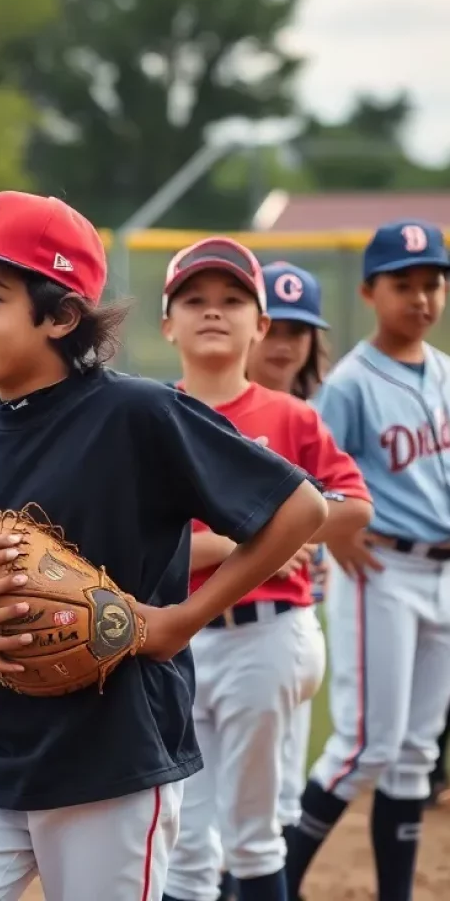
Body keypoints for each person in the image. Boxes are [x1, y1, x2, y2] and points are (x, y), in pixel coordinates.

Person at [0, 192, 327, 901]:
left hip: (115, 760)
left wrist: (179, 621)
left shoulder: (138, 415)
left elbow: (299, 507)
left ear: (62, 316)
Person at [158, 239, 372, 901]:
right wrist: (258, 538)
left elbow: (354, 506)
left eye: (232, 300)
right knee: (185, 840)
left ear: (260, 324)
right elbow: (134, 545)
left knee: (253, 832)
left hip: (265, 634)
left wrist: (297, 528)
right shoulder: (147, 415)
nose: (213, 312)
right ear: (167, 325)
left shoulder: (289, 416)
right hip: (174, 640)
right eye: (194, 300)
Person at [285, 220, 450, 901]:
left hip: (442, 573)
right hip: (378, 571)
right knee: (362, 748)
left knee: (414, 755)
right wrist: (333, 533)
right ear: (370, 292)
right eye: (402, 285)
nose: (420, 298)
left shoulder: (444, 373)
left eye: (431, 284)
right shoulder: (351, 383)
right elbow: (308, 477)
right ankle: (267, 886)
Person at [248, 261, 334, 839]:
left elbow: (351, 503)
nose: (283, 344)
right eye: (274, 328)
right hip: (217, 625)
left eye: (296, 332)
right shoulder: (212, 415)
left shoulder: (314, 420)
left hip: (294, 619)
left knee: (275, 798)